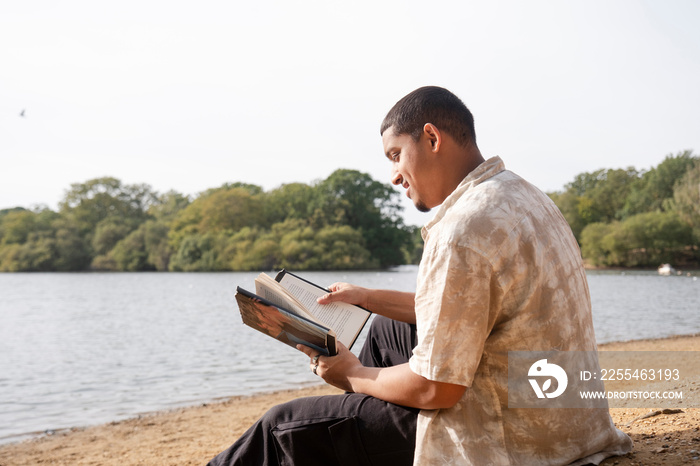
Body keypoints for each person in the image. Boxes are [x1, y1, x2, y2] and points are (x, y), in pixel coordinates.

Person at [208, 86, 633, 465]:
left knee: (281, 427)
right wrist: (366, 297)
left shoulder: (461, 230)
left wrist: (352, 374)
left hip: (510, 438)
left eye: (396, 156)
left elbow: (437, 390)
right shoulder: (521, 194)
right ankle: (357, 437)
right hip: (564, 414)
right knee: (384, 330)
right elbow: (472, 310)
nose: (393, 175)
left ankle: (342, 435)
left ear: (431, 138)